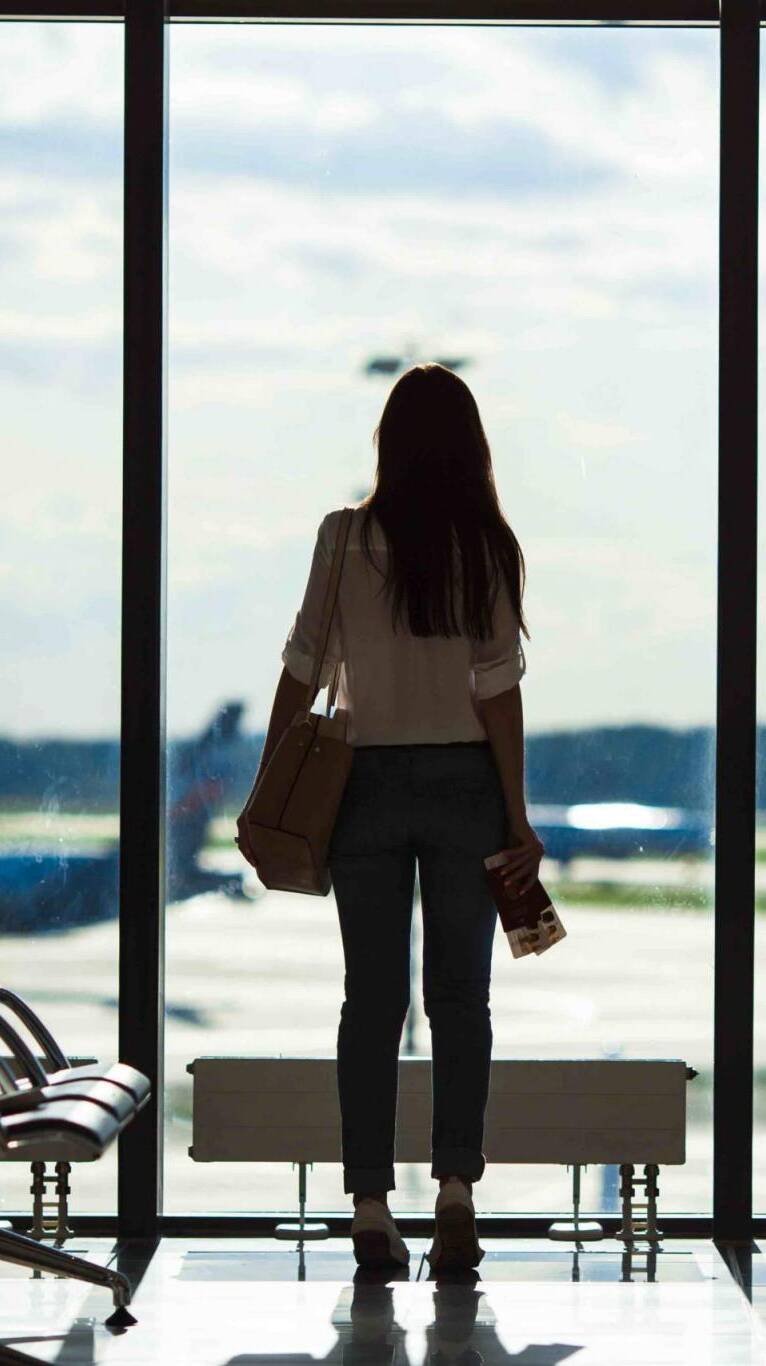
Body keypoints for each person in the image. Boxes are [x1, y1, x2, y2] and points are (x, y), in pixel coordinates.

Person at [237, 363, 544, 1274]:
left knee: (370, 1001)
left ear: (388, 443)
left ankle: (371, 1205)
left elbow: (301, 669)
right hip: (462, 785)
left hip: (361, 786)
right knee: (461, 1000)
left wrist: (269, 785)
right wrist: (516, 817)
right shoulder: (486, 547)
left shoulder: (342, 539)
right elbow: (499, 694)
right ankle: (455, 1192)